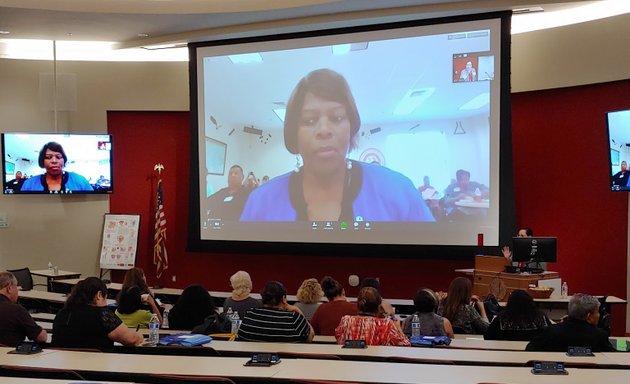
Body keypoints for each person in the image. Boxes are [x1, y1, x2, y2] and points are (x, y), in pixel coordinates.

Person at [240, 68, 434, 222]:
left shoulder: (399, 190)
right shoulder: (260, 202)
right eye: (309, 120)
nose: (324, 130)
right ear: (293, 134)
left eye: (337, 117)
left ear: (351, 126)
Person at [52, 277, 143, 349]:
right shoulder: (103, 314)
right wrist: (139, 336)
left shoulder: (62, 313)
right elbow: (131, 339)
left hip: (65, 368)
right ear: (99, 295)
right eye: (105, 298)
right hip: (94, 367)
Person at [526, 293, 615, 352]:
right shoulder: (600, 336)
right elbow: (612, 356)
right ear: (589, 316)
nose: (599, 315)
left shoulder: (550, 332)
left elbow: (529, 349)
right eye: (597, 312)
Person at [238, 281, 314, 343]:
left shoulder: (250, 316)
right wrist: (297, 310)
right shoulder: (294, 319)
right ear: (283, 298)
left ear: (263, 297)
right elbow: (310, 337)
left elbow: (241, 336)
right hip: (289, 361)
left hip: (251, 359)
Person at [335, 287, 410, 346]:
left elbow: (339, 340)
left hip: (348, 363)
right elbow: (405, 345)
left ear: (358, 305)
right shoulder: (386, 324)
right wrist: (399, 329)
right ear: (378, 306)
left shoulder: (346, 321)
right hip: (378, 364)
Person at [20, 142, 93, 192]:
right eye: (48, 157)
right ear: (42, 161)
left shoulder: (80, 180)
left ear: (64, 160)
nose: (54, 161)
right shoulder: (29, 184)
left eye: (58, 157)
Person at [0, 271, 47, 347]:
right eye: (16, 286)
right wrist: (42, 330)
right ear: (9, 288)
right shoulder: (15, 310)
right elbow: (41, 337)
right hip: (11, 356)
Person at [484, 289, 551, 341]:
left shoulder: (501, 319)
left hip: (506, 354)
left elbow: (487, 336)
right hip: (535, 354)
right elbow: (550, 334)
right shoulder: (541, 317)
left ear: (510, 303)